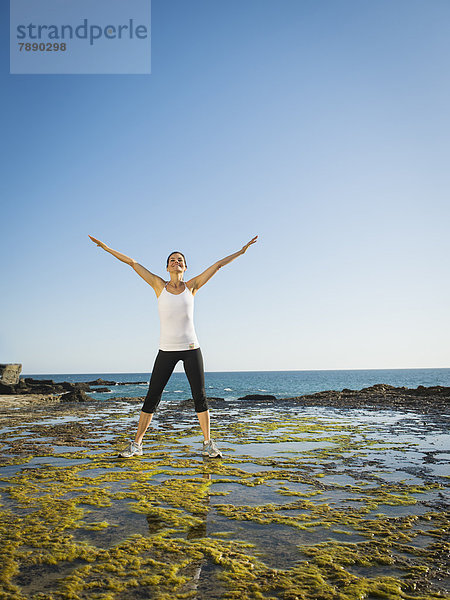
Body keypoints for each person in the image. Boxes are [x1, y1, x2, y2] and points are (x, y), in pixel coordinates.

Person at [88, 234, 258, 458]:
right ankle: (137, 445)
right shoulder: (158, 285)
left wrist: (242, 251)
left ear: (185, 267)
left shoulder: (192, 286)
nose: (176, 262)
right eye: (172, 260)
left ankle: (208, 443)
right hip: (166, 350)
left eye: (180, 260)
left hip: (191, 349)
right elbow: (132, 263)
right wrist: (106, 247)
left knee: (200, 395)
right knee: (152, 396)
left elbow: (217, 265)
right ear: (167, 267)